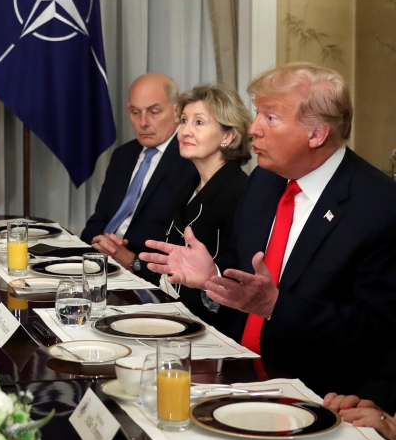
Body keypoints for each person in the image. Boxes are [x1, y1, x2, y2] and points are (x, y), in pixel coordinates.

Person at [141, 62, 396, 395]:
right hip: (233, 370)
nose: (253, 129)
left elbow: (376, 332)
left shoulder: (378, 205)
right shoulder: (264, 179)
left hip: (312, 391)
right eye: (257, 114)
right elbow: (242, 277)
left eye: (270, 118)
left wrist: (276, 306)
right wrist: (212, 277)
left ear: (316, 134)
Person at [80, 74, 196, 279]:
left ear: (177, 111)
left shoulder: (191, 161)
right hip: (99, 264)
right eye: (135, 112)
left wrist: (130, 259)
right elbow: (97, 221)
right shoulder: (123, 155)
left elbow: (180, 249)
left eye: (154, 112)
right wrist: (101, 242)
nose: (143, 123)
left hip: (144, 275)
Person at [158, 84, 251, 323]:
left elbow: (238, 278)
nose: (185, 132)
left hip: (213, 325)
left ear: (228, 136)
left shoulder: (240, 193)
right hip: (173, 311)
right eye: (184, 121)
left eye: (199, 122)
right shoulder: (188, 184)